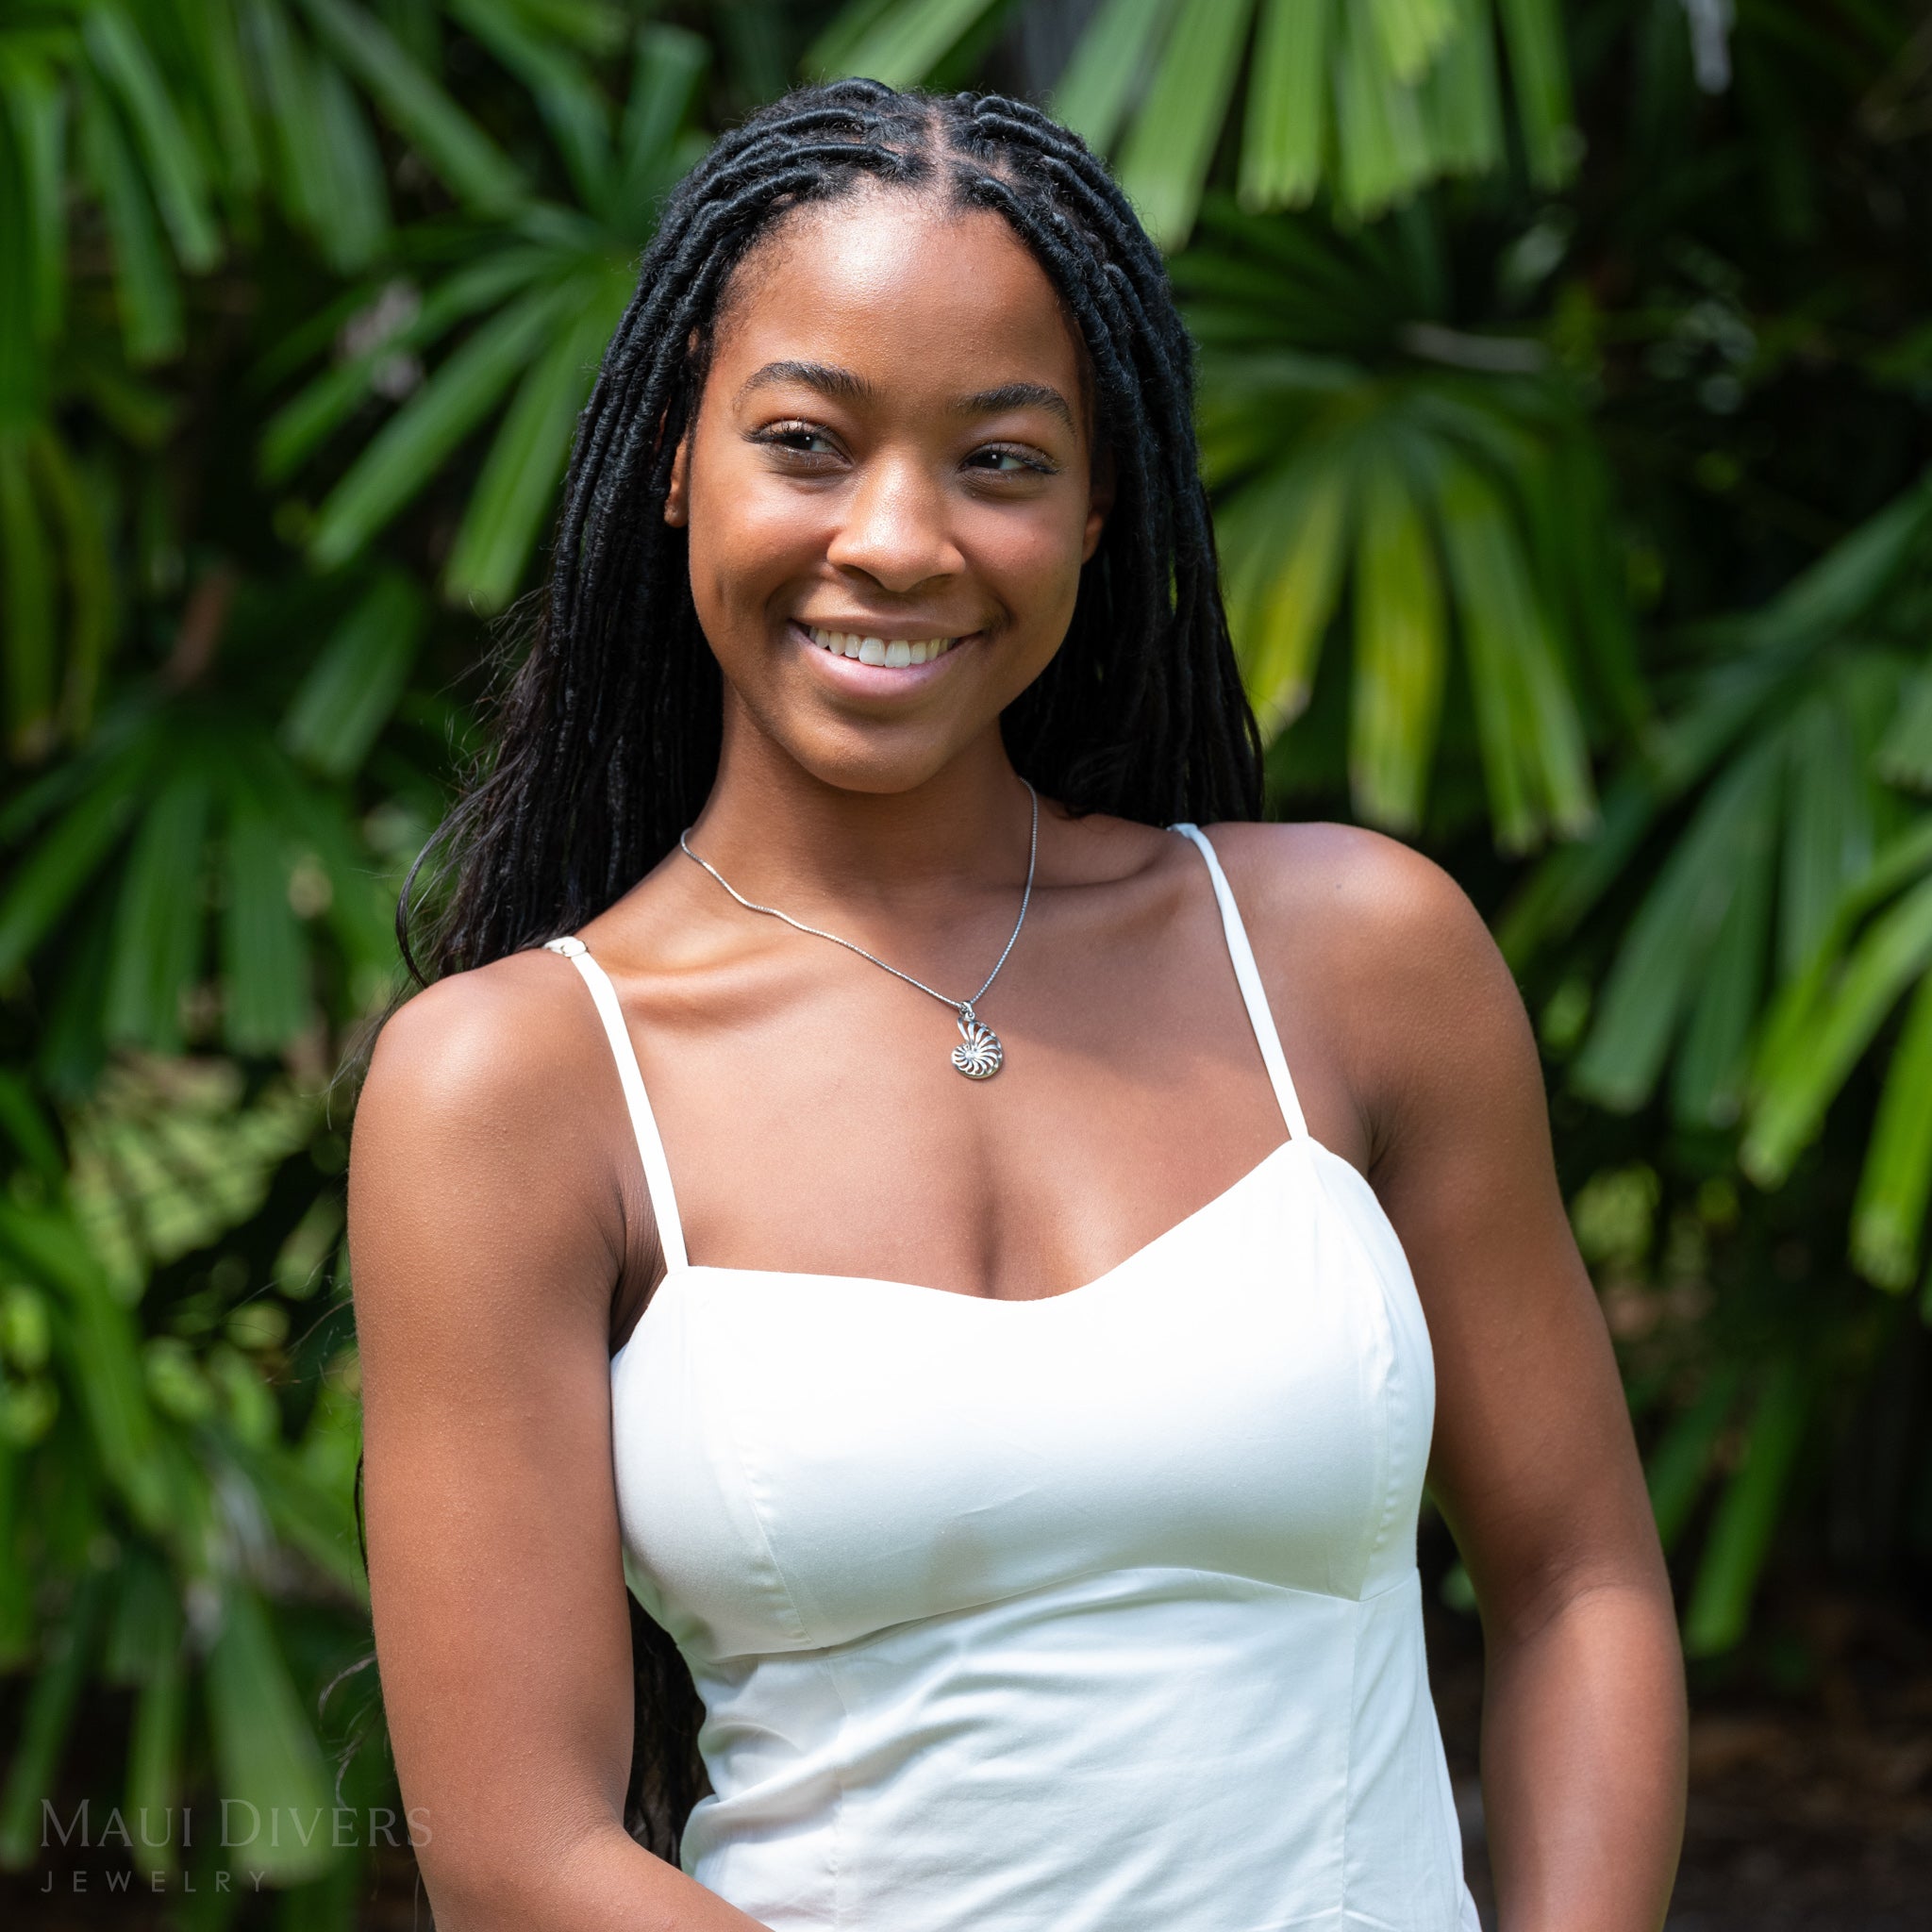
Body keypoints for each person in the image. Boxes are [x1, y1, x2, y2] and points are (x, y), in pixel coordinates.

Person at [347, 78, 1687, 1932]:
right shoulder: (515, 1085)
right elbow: (519, 1855)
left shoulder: (1354, 956)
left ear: (1095, 504)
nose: (895, 539)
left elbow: (1575, 1583)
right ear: (676, 458)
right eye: (807, 442)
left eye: (999, 458)